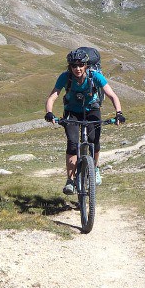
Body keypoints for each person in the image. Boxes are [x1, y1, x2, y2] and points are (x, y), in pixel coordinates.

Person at [44, 49, 125, 195]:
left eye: (81, 65)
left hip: (92, 110)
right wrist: (49, 113)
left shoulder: (96, 77)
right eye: (74, 66)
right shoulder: (65, 77)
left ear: (86, 66)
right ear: (70, 67)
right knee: (73, 143)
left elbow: (112, 95)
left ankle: (95, 168)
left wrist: (119, 113)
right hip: (72, 112)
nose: (78, 69)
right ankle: (70, 180)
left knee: (95, 140)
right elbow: (52, 97)